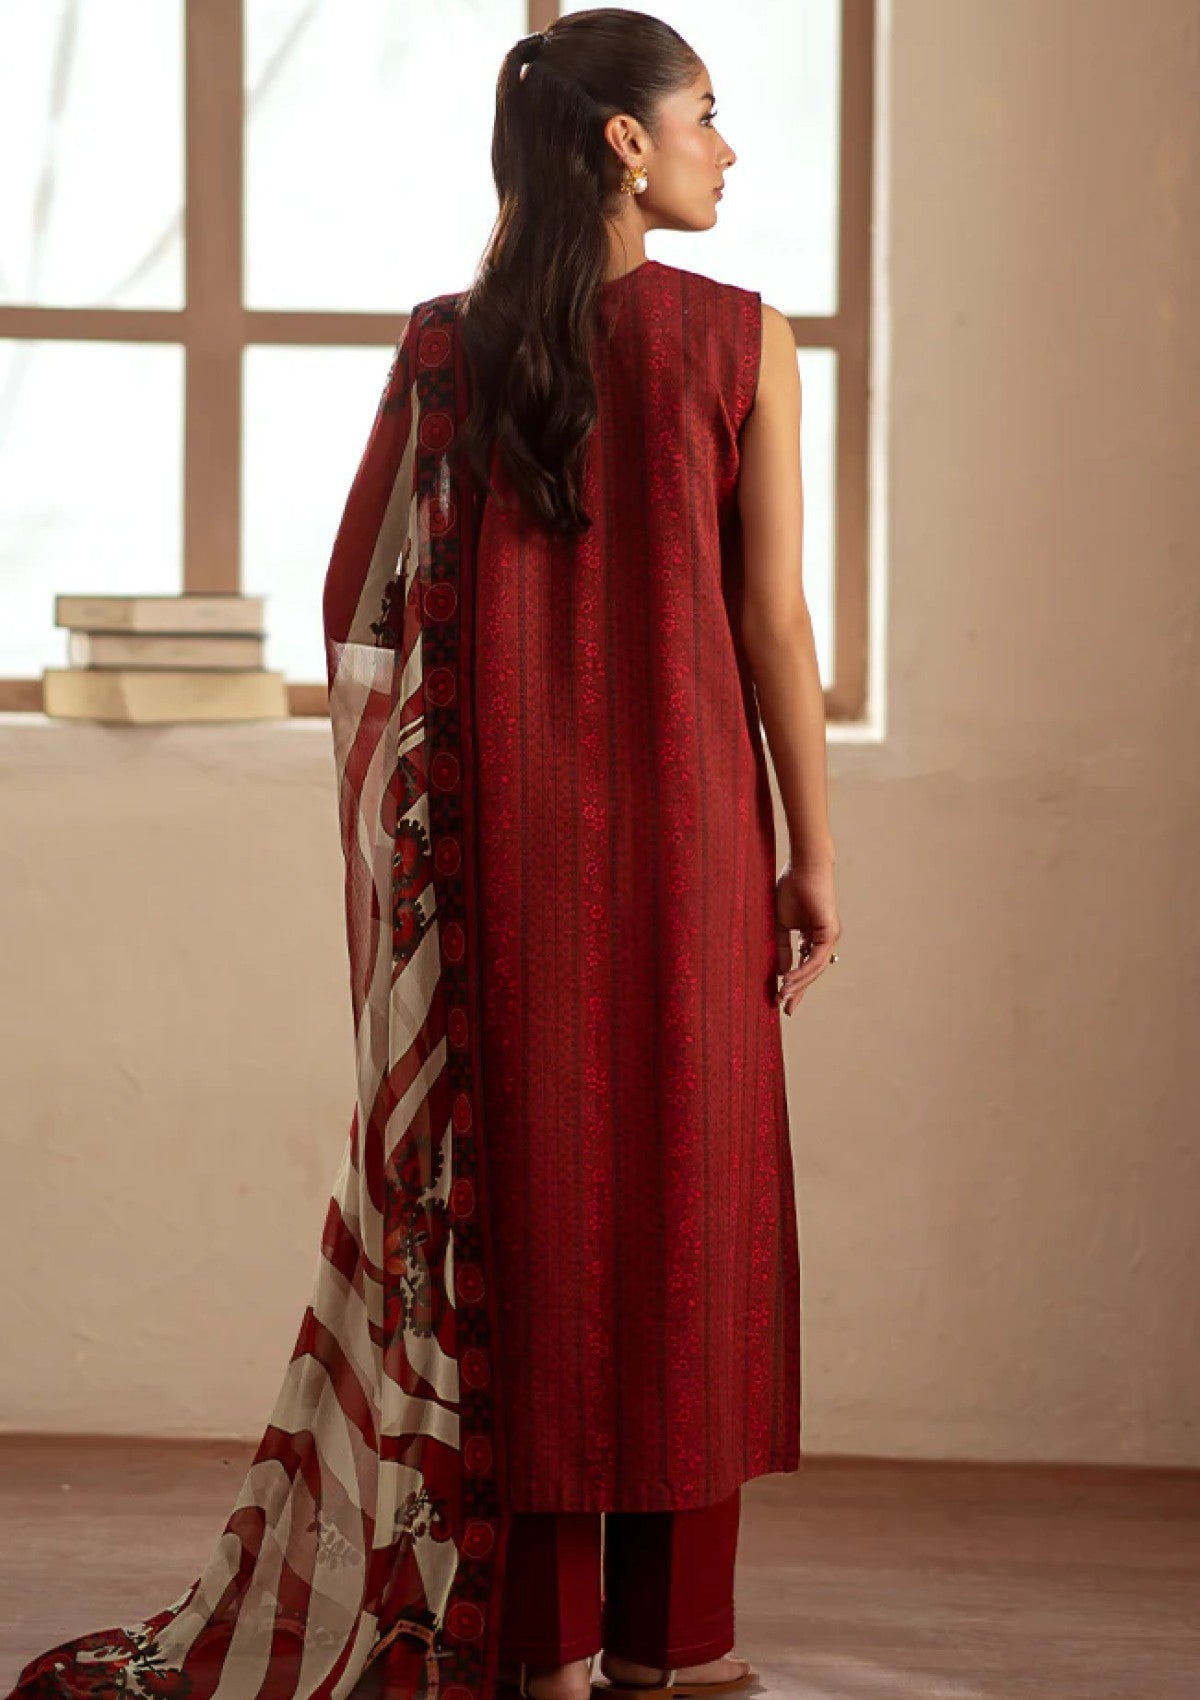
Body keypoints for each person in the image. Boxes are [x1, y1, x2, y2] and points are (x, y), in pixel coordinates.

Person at [5, 12, 839, 1700]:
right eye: (705, 115)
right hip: (689, 845)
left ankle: (533, 1645)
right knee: (691, 1213)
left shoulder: (448, 347)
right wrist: (813, 852)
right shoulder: (742, 339)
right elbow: (772, 624)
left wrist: (429, 824)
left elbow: (356, 606)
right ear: (624, 142)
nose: (727, 147)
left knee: (525, 1226)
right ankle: (676, 1649)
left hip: (496, 857)